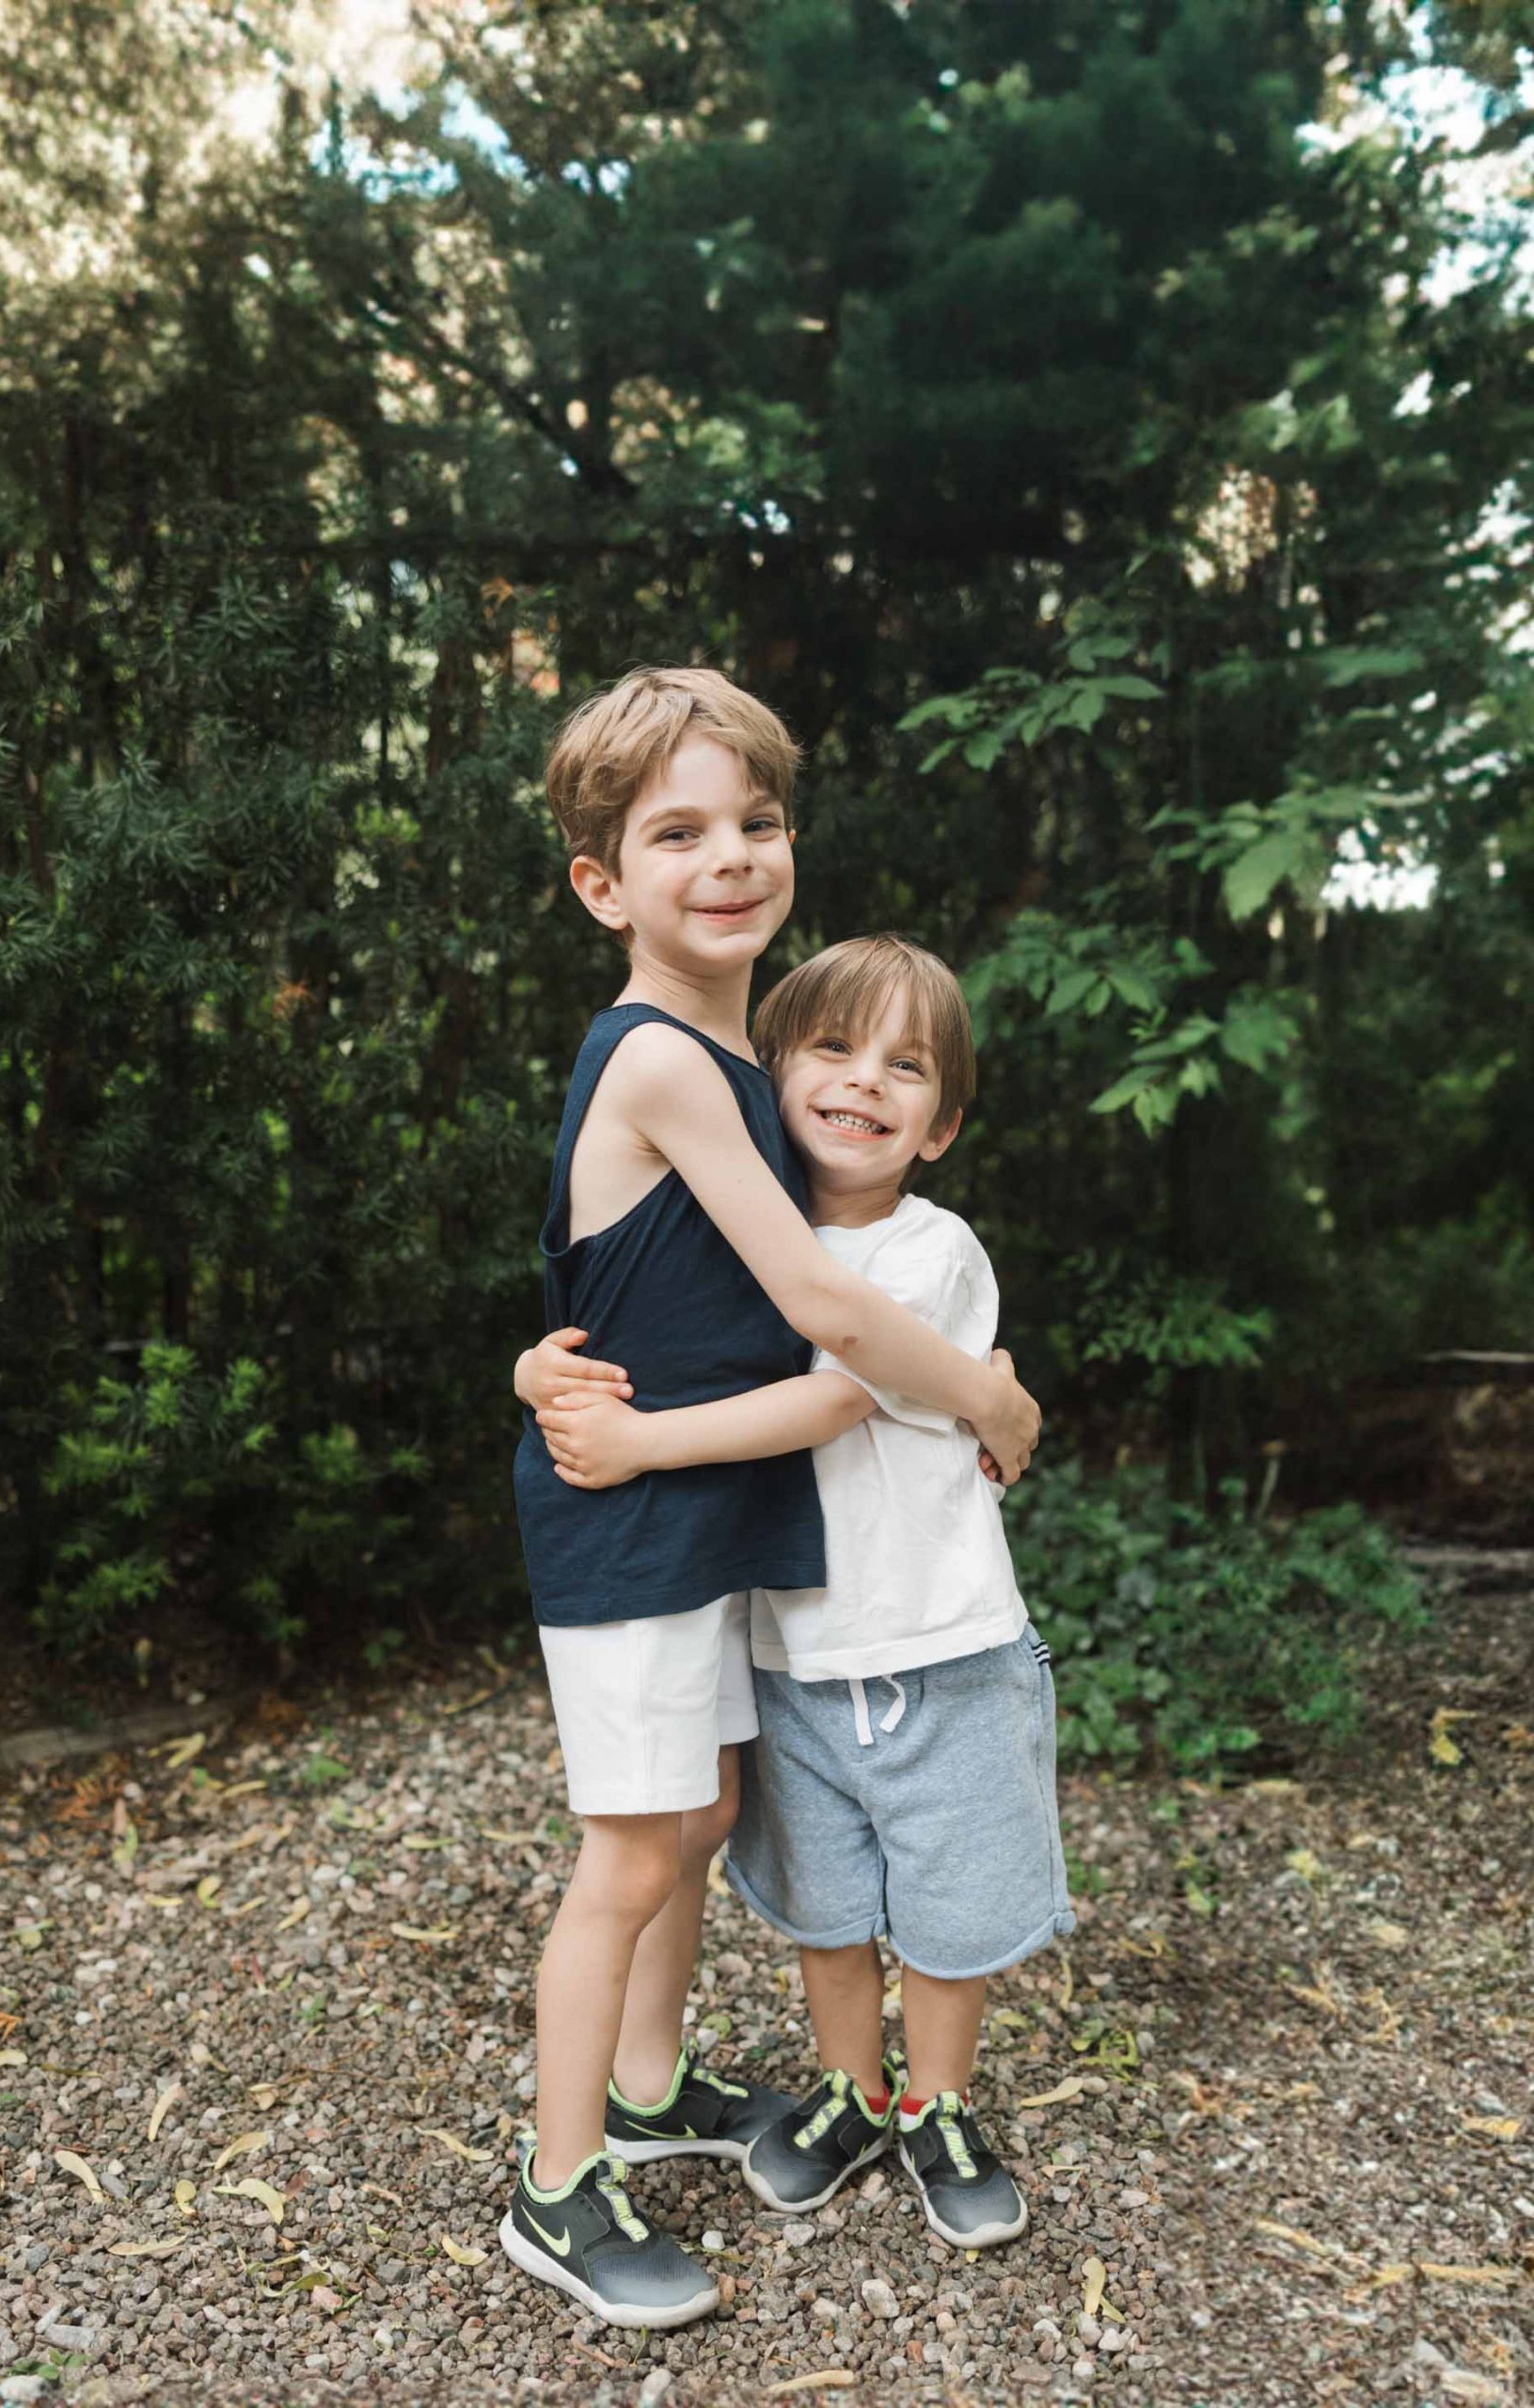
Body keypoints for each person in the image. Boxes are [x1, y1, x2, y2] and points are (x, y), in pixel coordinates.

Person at [502, 669, 1041, 2328]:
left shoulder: (749, 1060)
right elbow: (818, 1306)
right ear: (603, 886)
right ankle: (556, 2185)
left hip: (703, 1519)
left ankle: (651, 2089)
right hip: (633, 1522)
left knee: (703, 1816)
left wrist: (537, 1361)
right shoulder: (663, 1059)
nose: (730, 856)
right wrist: (991, 1395)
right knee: (632, 1850)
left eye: (756, 820)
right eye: (678, 834)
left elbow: (627, 1282)